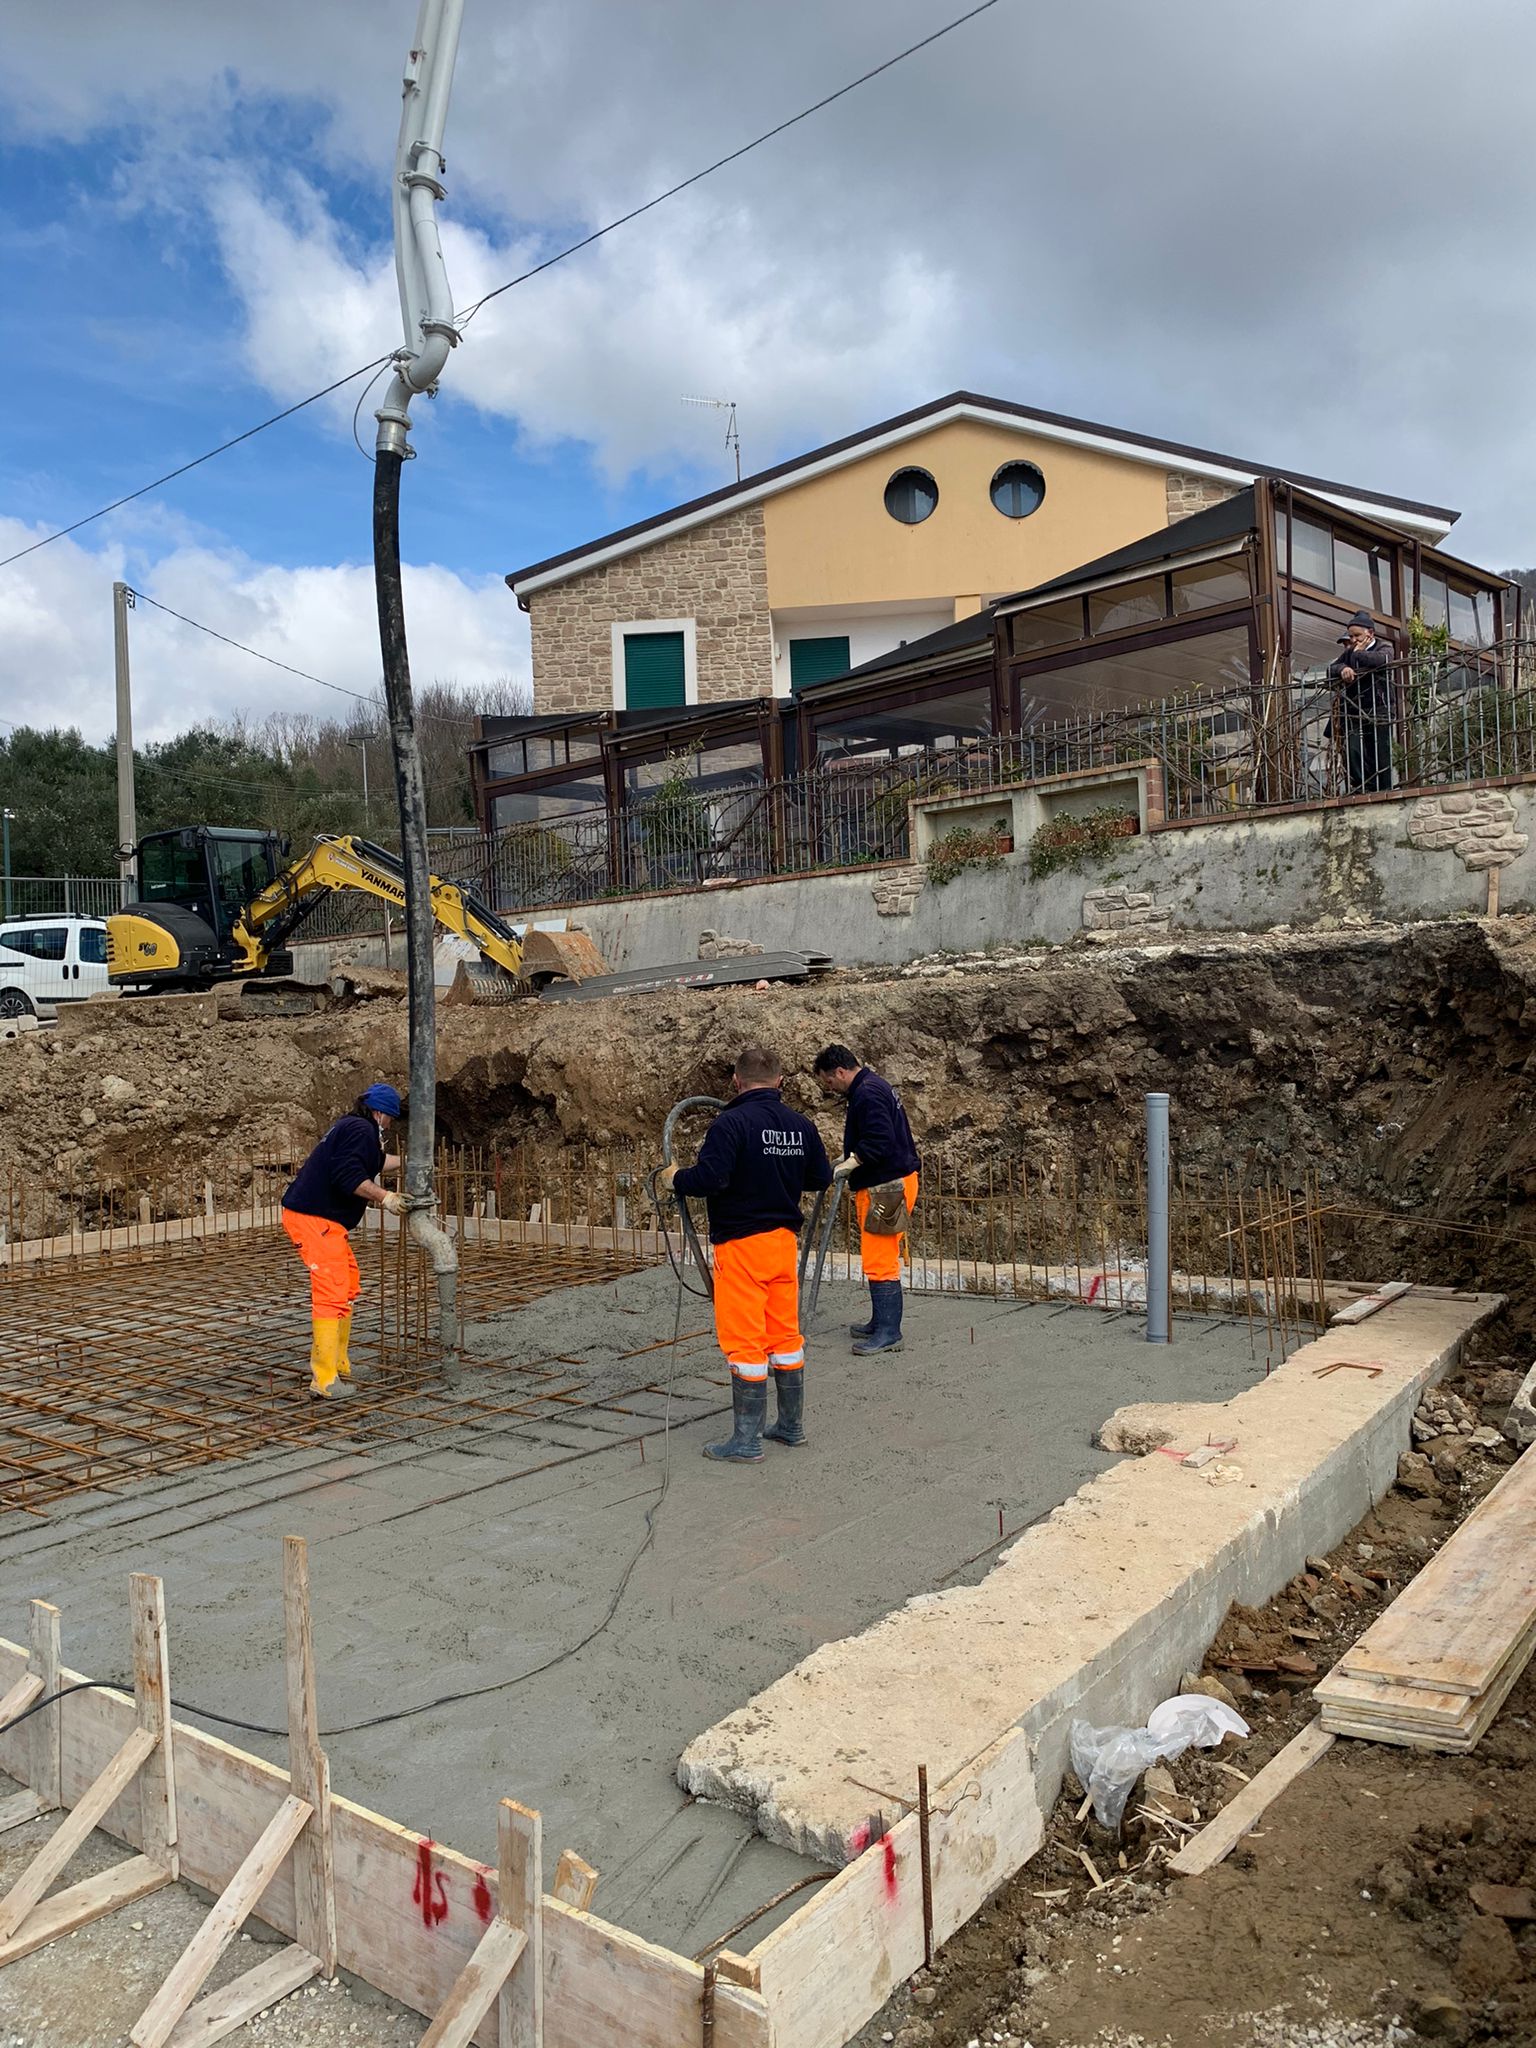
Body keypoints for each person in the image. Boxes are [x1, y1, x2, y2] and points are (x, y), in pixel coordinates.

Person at [660, 1046, 832, 1463]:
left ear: (736, 1082)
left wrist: (675, 1178)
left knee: (744, 1342)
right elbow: (820, 1177)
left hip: (741, 1246)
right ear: (781, 1081)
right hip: (782, 1245)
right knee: (785, 1336)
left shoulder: (731, 1123)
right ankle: (790, 1427)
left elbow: (711, 1179)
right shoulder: (800, 1125)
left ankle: (747, 1441)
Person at [281, 1084, 406, 1400]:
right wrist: (385, 1197)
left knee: (347, 1284)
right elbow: (348, 1176)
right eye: (390, 1119)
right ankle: (324, 1379)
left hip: (324, 1220)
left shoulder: (354, 1127)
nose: (390, 1124)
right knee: (331, 1289)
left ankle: (338, 1364)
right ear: (380, 1113)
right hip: (313, 1218)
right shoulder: (361, 1130)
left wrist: (410, 1161)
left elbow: (375, 1161)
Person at [811, 1045, 921, 1354]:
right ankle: (880, 1321)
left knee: (880, 1257)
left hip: (887, 1185)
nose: (830, 1088)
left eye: (829, 1081)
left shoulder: (868, 1093)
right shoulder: (873, 1086)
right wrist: (850, 1157)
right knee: (877, 1253)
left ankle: (889, 1332)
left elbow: (879, 1139)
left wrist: (854, 1160)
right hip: (887, 1182)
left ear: (840, 1072)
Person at [1328, 611, 1394, 795]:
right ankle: (1360, 787)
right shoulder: (1348, 653)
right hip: (1355, 708)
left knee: (1379, 750)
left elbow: (1382, 660)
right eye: (1351, 636)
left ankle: (1383, 789)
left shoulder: (1384, 648)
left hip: (1379, 707)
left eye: (1357, 635)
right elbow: (1331, 669)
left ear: (1370, 633)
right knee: (1353, 749)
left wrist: (1358, 654)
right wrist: (1343, 669)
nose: (1353, 640)